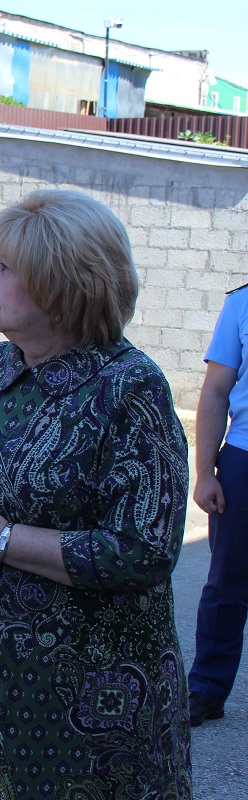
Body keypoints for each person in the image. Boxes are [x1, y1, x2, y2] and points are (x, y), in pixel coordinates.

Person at [0, 189, 191, 799]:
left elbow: (144, 552)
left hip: (87, 707)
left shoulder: (131, 390)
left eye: (6, 268)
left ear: (60, 284)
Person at [187, 282, 248, 727]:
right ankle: (206, 689)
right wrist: (205, 472)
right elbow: (214, 392)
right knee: (227, 584)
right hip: (244, 461)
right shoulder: (241, 303)